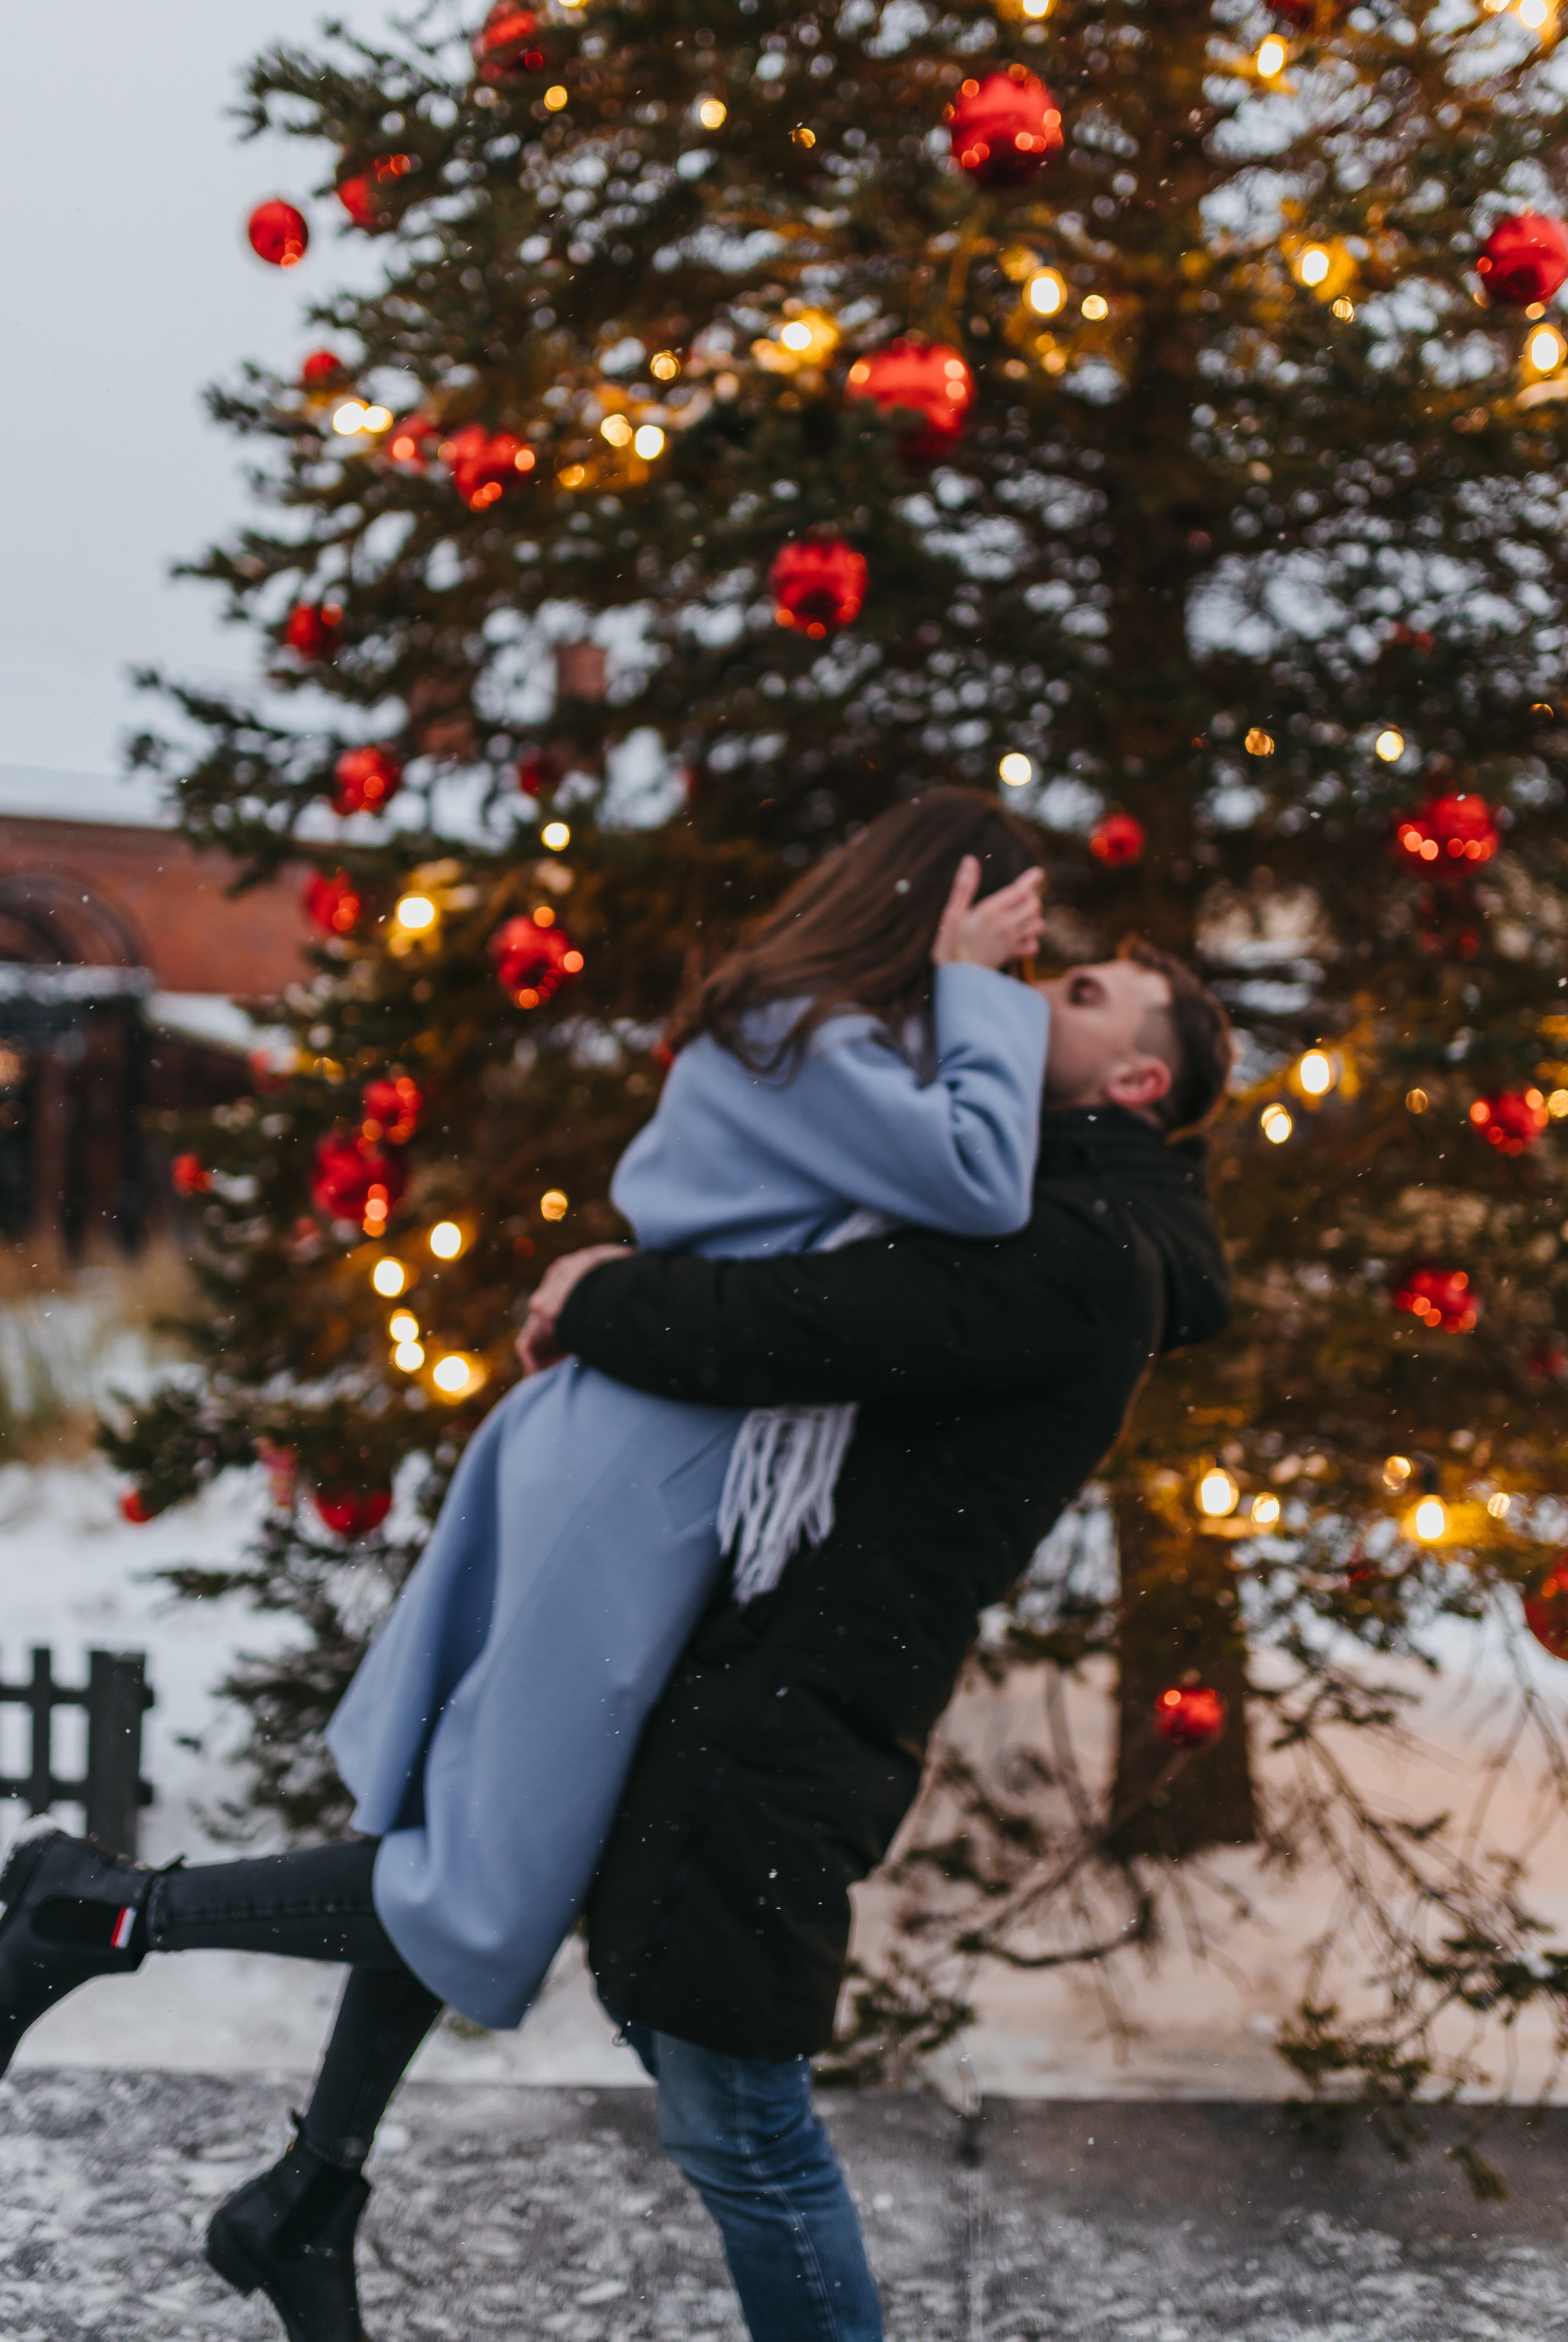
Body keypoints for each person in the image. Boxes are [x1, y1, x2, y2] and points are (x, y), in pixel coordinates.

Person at [0, 788, 1049, 2342]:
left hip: (641, 1461)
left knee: (464, 1845)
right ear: (939, 903)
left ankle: (309, 2189)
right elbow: (983, 1184)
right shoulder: (810, 1039)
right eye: (1012, 926)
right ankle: (101, 1913)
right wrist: (977, 992)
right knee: (481, 1877)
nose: (1021, 964)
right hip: (628, 1483)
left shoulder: (830, 1041)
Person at [516, 937, 1234, 2342]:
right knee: (716, 2094)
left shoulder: (1083, 1249)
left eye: (1084, 996)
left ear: (1139, 1082)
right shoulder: (1049, 1211)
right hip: (788, 1686)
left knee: (745, 2130)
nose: (1044, 993)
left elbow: (802, 1325)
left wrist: (600, 1296)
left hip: (796, 1709)